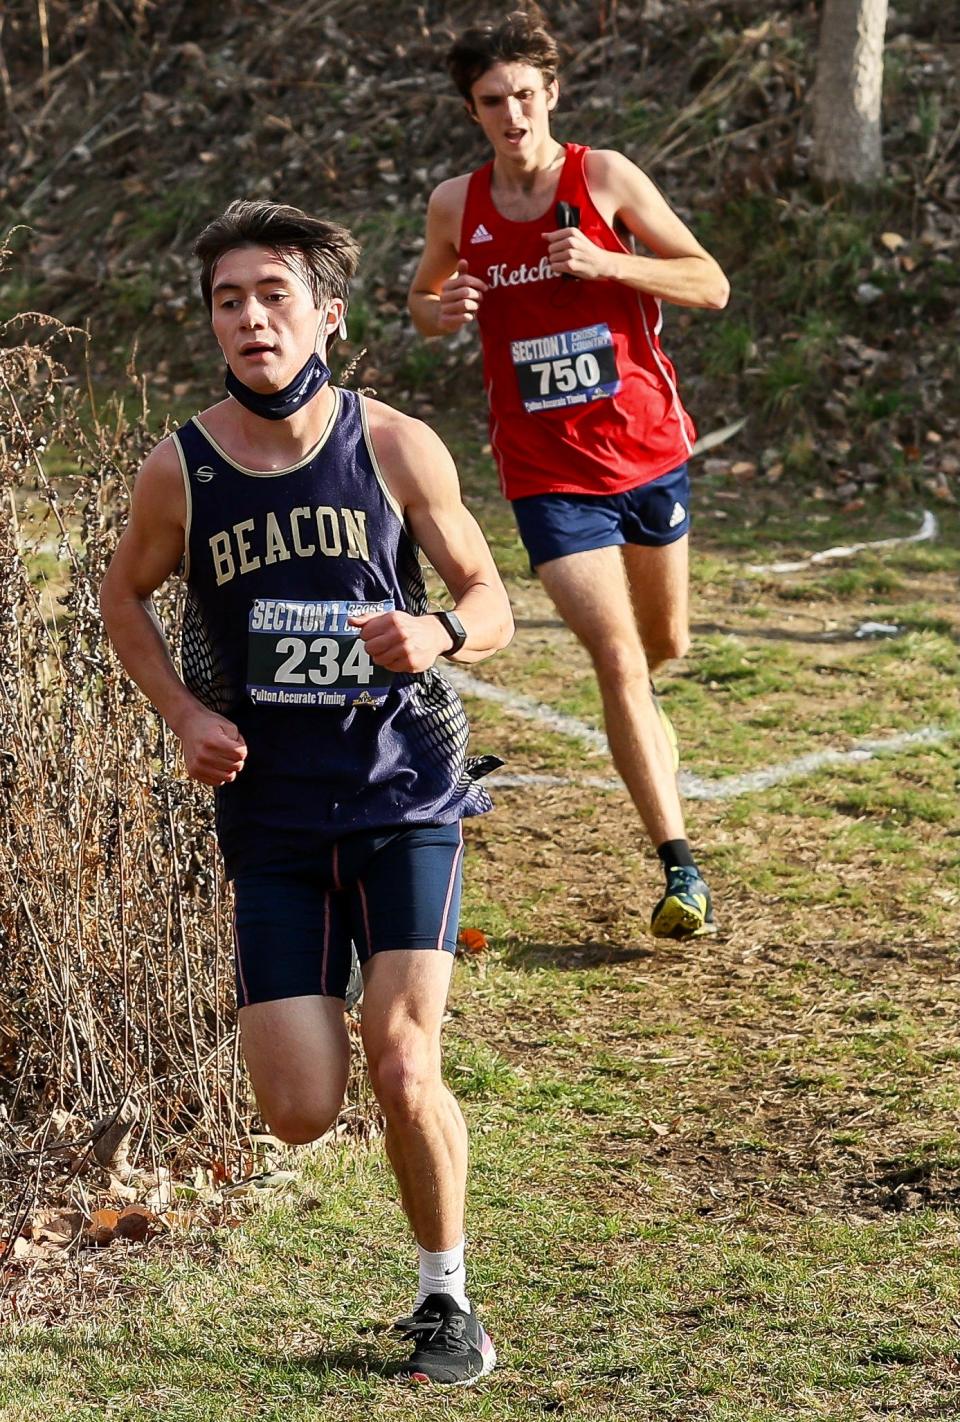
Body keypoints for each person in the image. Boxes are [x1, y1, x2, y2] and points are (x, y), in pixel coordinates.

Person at [100, 199, 513, 1386]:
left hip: (403, 794)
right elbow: (124, 599)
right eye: (228, 300)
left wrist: (433, 631)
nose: (249, 317)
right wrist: (185, 714)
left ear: (327, 315)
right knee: (296, 1108)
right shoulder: (180, 466)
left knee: (400, 1056)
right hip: (273, 816)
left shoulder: (392, 446)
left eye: (273, 294)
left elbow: (491, 600)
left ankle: (448, 1301)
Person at [408, 9, 730, 939]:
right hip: (547, 473)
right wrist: (445, 306)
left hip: (647, 450)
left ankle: (643, 724)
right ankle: (681, 869)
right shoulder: (454, 205)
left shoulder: (605, 180)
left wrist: (607, 261)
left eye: (523, 96)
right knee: (619, 658)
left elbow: (708, 282)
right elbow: (424, 299)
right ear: (472, 111)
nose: (511, 115)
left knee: (660, 646)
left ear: (550, 95)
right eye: (490, 101)